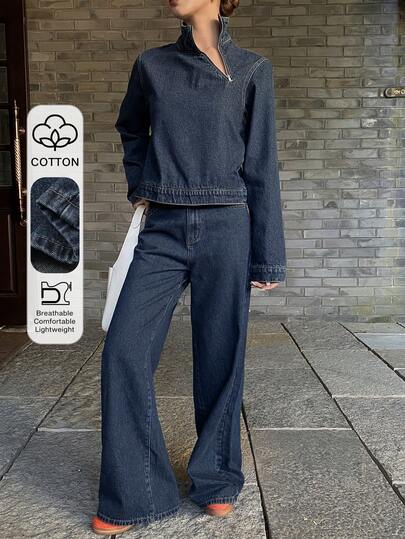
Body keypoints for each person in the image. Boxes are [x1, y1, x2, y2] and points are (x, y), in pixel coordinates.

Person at [91, 1, 286, 535]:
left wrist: (267, 251)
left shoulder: (252, 69)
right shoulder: (152, 65)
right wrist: (141, 186)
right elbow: (131, 128)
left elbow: (262, 163)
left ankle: (217, 480)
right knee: (123, 350)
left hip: (229, 225)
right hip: (162, 228)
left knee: (221, 356)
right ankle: (135, 493)